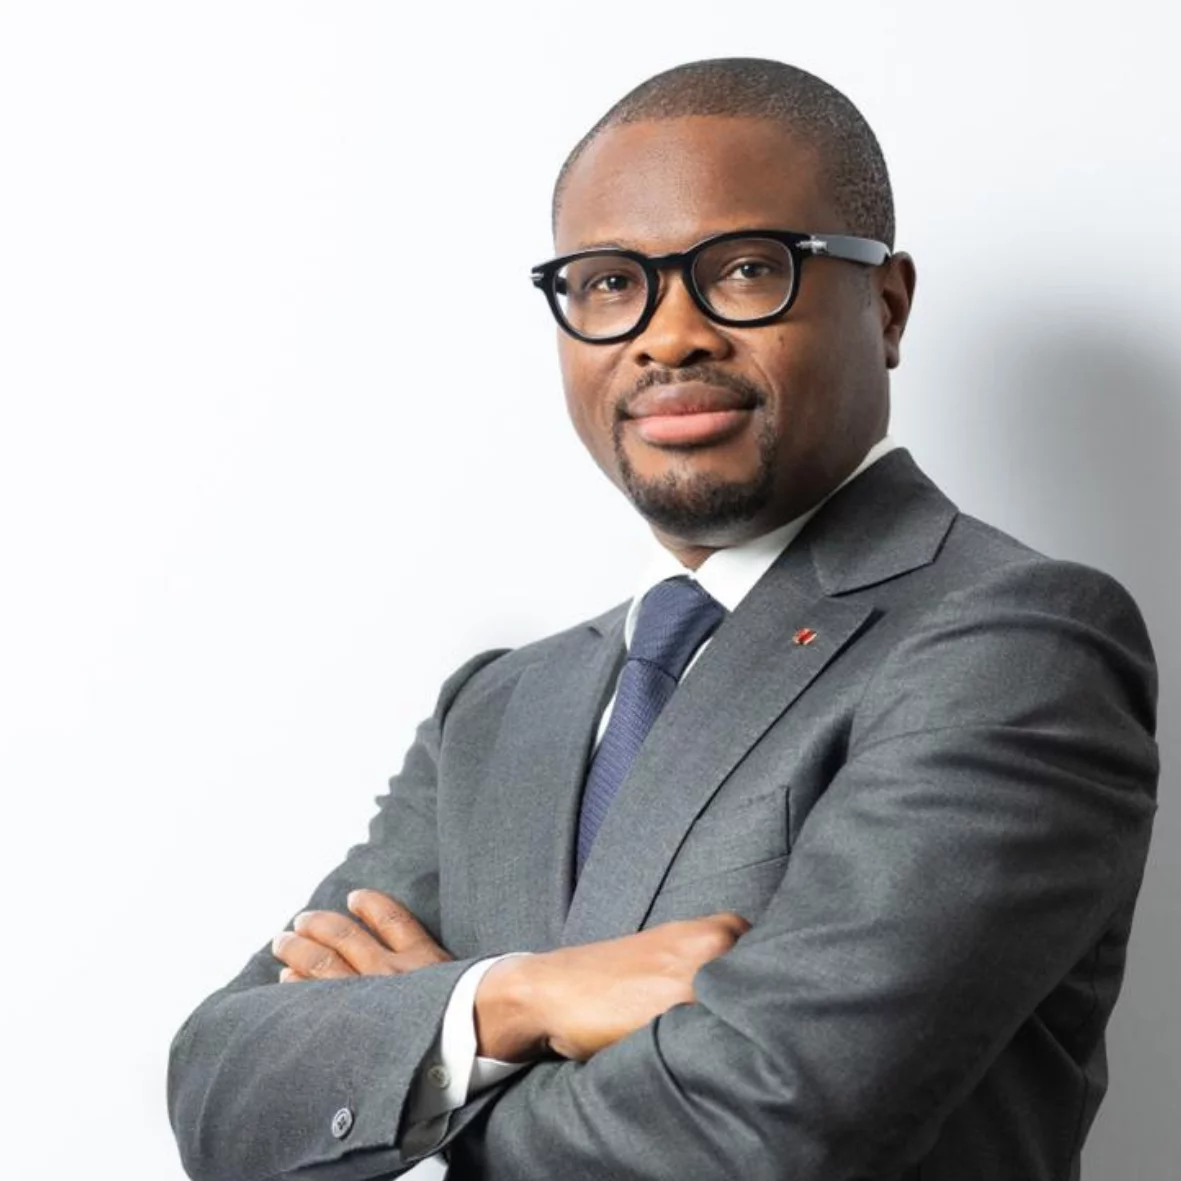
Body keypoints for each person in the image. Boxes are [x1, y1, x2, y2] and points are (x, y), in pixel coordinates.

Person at [167, 58, 1158, 1181]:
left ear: (884, 305)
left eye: (742, 270)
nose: (666, 335)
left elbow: (770, 1122)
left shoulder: (1008, 641)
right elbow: (222, 1090)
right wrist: (519, 995)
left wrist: (423, 1062)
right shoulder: (498, 708)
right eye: (604, 282)